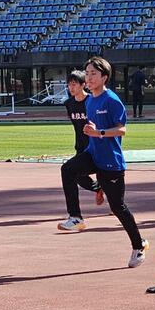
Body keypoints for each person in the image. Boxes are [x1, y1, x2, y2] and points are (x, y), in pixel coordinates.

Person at [58, 57, 149, 268]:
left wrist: (98, 132)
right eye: (87, 73)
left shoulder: (111, 100)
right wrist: (90, 131)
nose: (89, 78)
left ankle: (139, 245)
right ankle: (76, 217)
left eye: (93, 74)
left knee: (118, 207)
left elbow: (122, 129)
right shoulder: (89, 101)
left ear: (104, 77)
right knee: (67, 169)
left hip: (111, 161)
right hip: (93, 154)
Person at [61, 70, 104, 210]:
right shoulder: (69, 104)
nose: (71, 88)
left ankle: (114, 203)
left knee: (105, 176)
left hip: (97, 145)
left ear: (83, 84)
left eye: (74, 84)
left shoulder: (92, 100)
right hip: (81, 146)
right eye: (69, 85)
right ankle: (98, 188)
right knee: (76, 175)